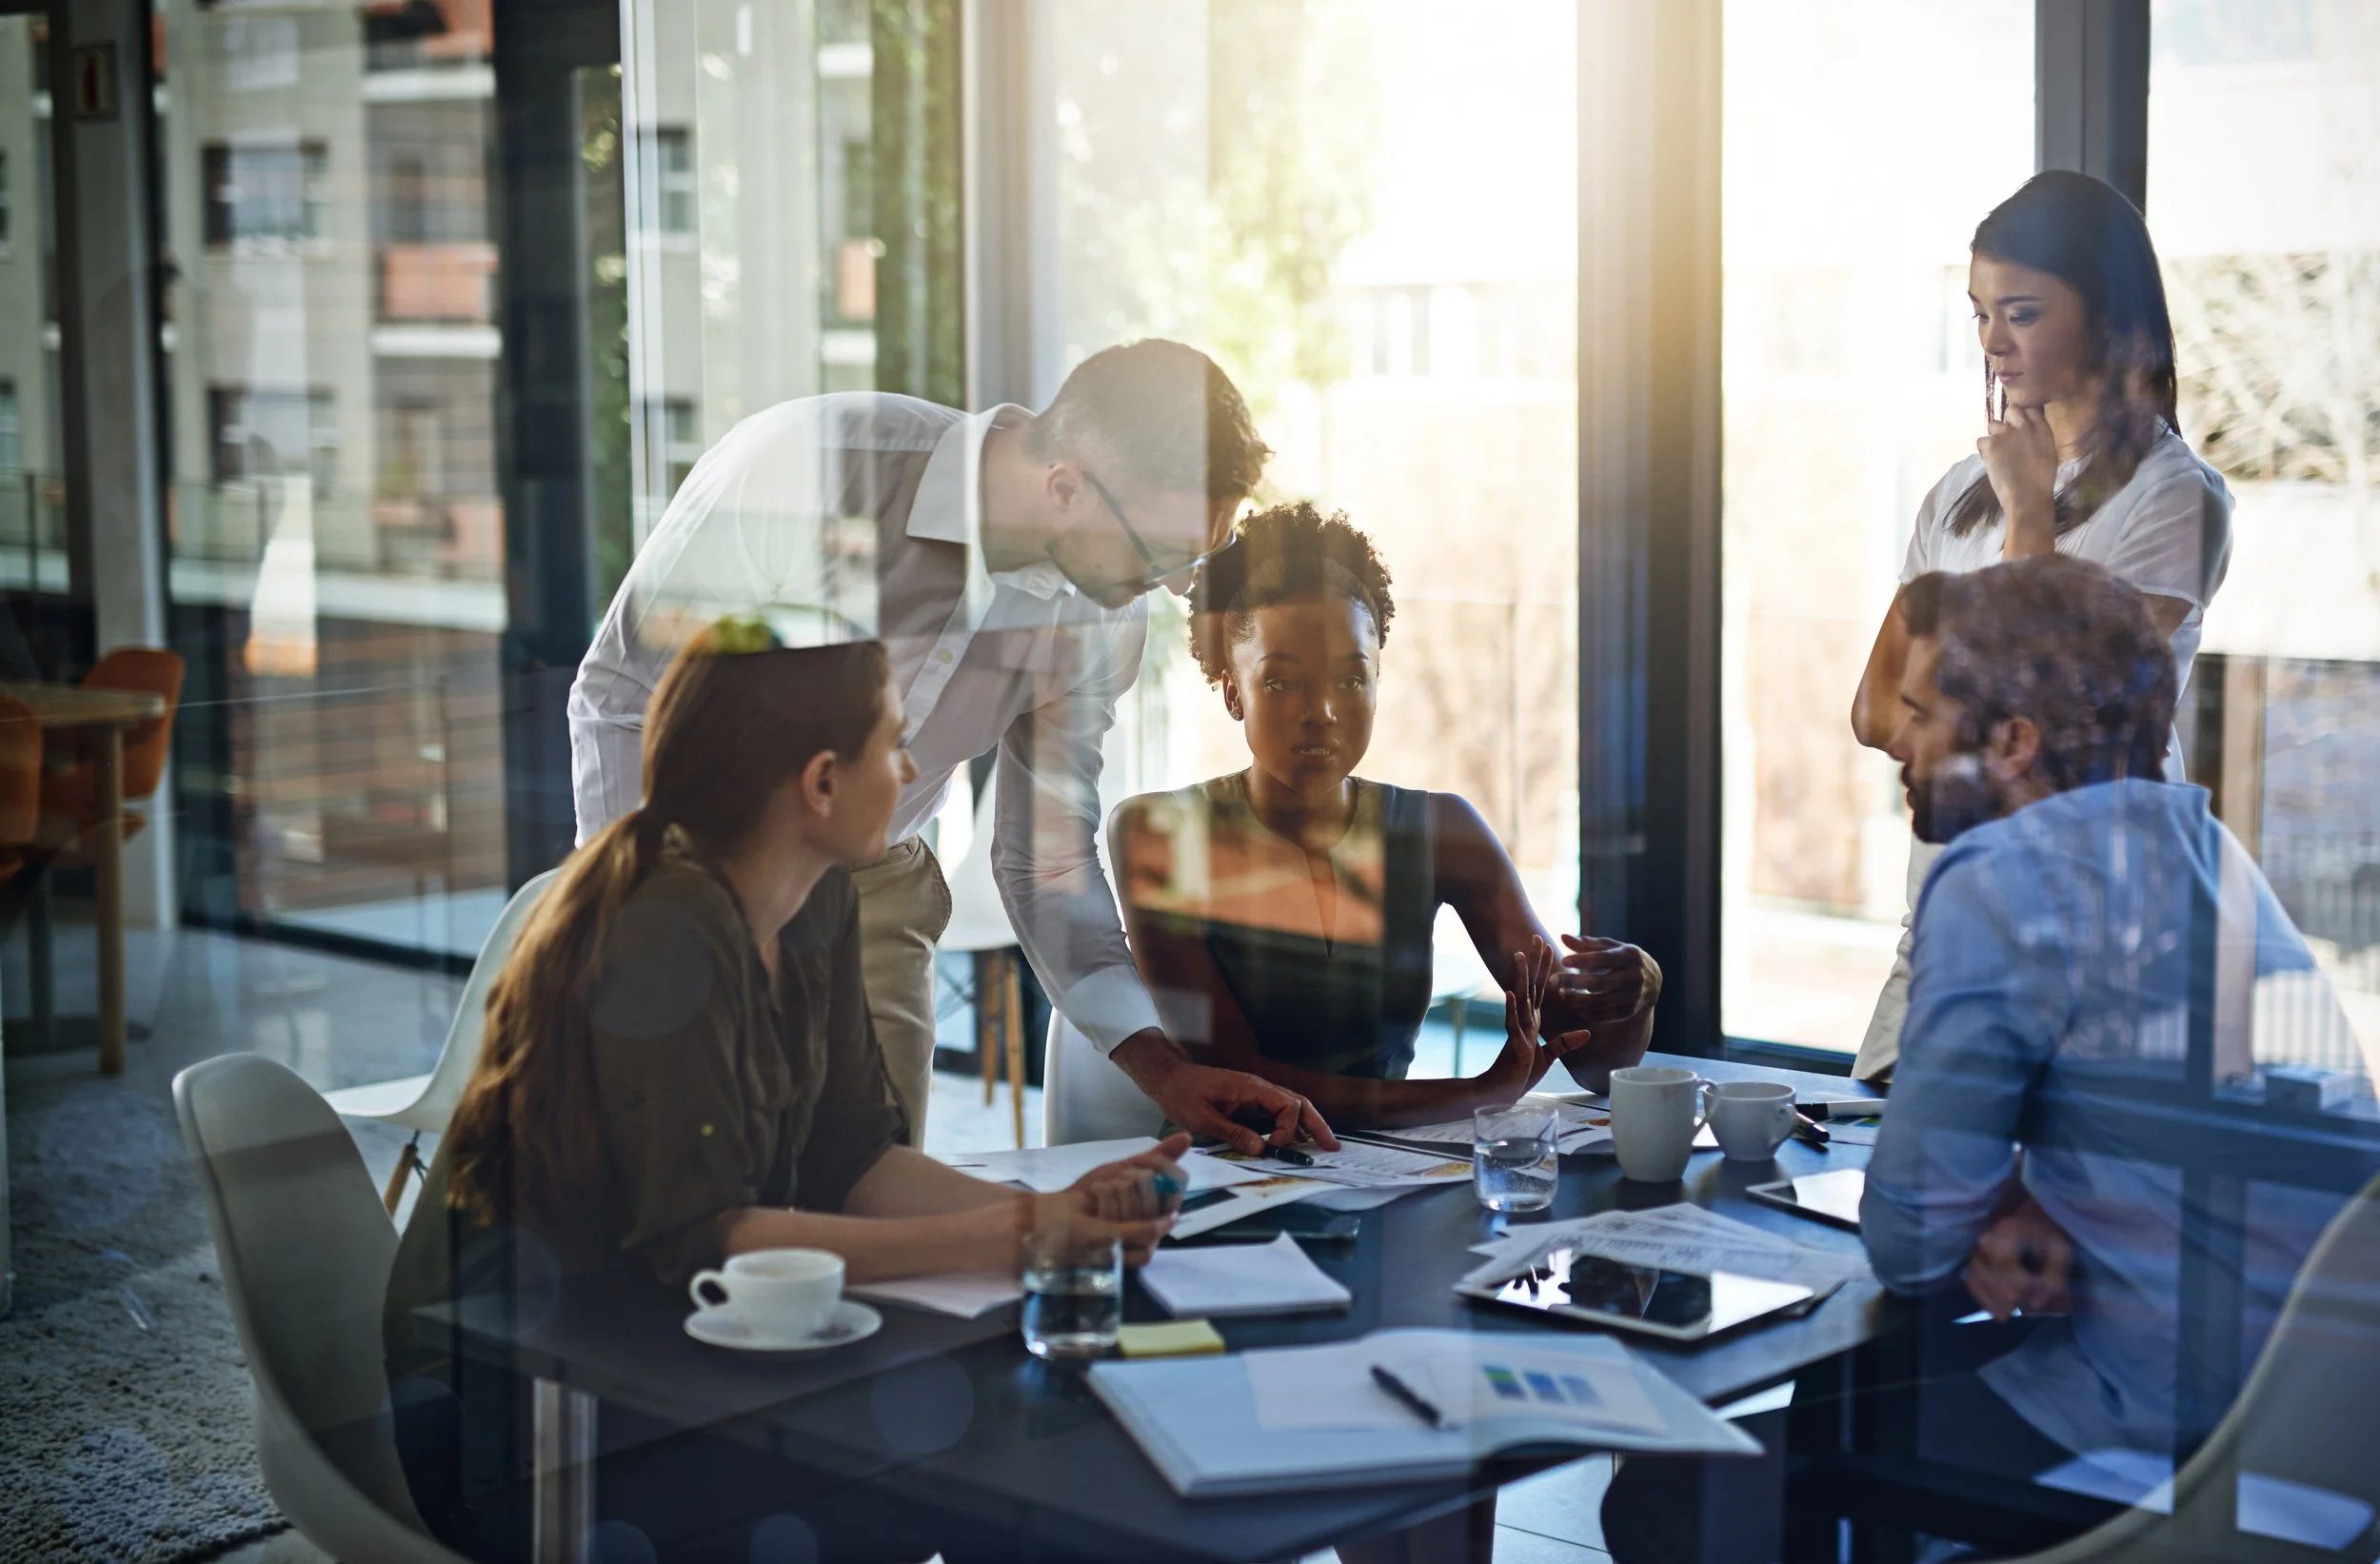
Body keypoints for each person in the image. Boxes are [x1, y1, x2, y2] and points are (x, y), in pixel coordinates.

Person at [1602, 558, 2372, 1564]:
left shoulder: (2004, 874)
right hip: (2322, 1440)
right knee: (1846, 1387)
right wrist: (2029, 1190)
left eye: (1923, 712)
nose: (1899, 742)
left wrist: (1980, 1197)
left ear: (2013, 741)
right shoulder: (2202, 848)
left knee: (1664, 1498)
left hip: (2164, 1436)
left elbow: (1910, 1235)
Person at [389, 622, 1188, 1562]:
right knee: (970, 1464)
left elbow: (854, 1159)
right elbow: (710, 1234)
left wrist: (1056, 1209)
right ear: (820, 781)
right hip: (528, 1416)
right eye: (892, 742)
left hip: (676, 1354)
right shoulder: (666, 923)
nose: (908, 765)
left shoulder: (818, 900)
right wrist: (1018, 1237)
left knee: (1012, 1439)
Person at [569, 340, 1336, 1155]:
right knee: (682, 1174)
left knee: (878, 1186)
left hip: (876, 889)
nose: (1178, 587)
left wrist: (1164, 1071)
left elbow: (1047, 860)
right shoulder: (818, 465)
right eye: (1164, 555)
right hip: (692, 863)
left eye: (1199, 556)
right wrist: (648, 914)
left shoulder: (1100, 617)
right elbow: (621, 698)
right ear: (1066, 488)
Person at [1848, 169, 2233, 1082]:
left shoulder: (2174, 499)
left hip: (2093, 922)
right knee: (1877, 1159)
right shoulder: (1957, 494)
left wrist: (2030, 511)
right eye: (1980, 313)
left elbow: (2047, 712)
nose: (1992, 343)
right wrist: (1964, 723)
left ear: (2106, 315)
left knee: (2028, 1204)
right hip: (1948, 903)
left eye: (2020, 313)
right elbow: (1875, 713)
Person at [1110, 504, 1660, 1131]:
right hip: (1226, 1180)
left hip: (1385, 1178)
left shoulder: (1442, 831)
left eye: (1350, 680)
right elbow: (1240, 1080)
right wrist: (1475, 1095)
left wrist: (1635, 997)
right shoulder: (1157, 834)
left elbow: (1591, 1062)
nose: (1321, 710)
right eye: (1283, 683)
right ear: (1233, 688)